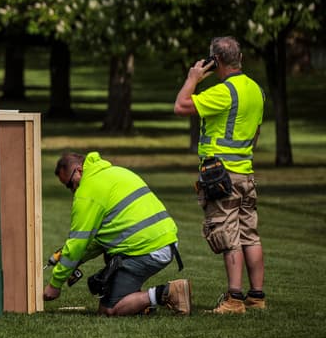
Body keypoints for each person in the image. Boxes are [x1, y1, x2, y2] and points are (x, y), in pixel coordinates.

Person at [174, 35, 267, 313]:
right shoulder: (256, 90)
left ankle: (234, 299)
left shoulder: (224, 92)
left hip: (221, 176)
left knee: (228, 235)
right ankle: (257, 296)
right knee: (250, 234)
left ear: (217, 61)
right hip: (246, 172)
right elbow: (256, 133)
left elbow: (180, 106)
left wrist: (193, 78)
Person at [44, 151, 191, 316]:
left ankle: (169, 292)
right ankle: (138, 301)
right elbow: (97, 242)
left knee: (110, 309)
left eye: (70, 184)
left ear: (79, 171)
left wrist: (54, 285)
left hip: (148, 249)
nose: (72, 190)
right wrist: (75, 260)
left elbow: (77, 243)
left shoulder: (87, 191)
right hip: (165, 241)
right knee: (110, 255)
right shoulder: (115, 172)